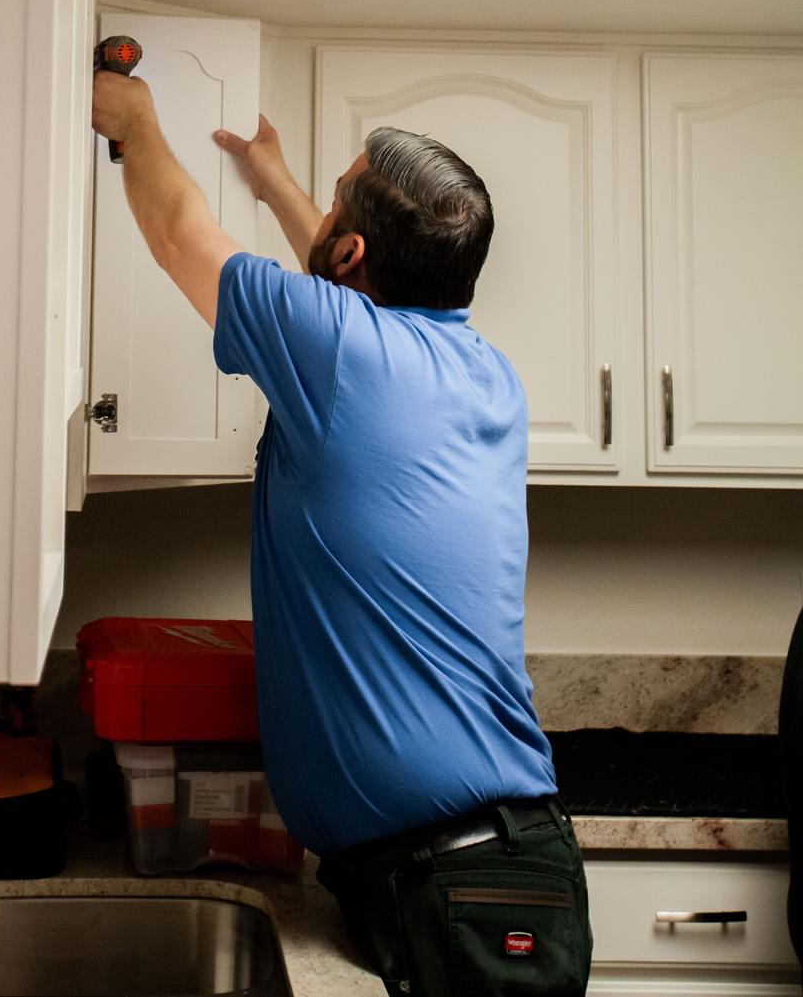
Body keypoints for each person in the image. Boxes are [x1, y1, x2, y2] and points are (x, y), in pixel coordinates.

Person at [92, 67, 592, 997]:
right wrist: (279, 184)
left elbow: (179, 235)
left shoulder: (339, 352)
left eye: (328, 206)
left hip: (462, 887)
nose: (315, 217)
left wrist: (134, 120)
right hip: (477, 870)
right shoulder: (485, 373)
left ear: (351, 249)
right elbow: (347, 298)